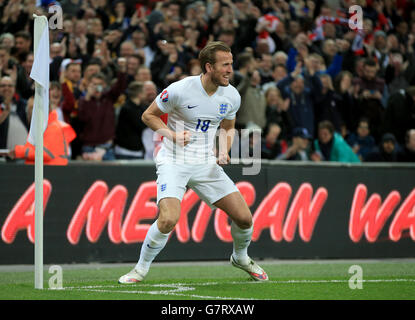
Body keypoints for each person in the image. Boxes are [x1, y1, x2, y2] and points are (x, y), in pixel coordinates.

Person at [118, 41, 268, 284]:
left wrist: (224, 150)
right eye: (225, 65)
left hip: (206, 163)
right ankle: (140, 270)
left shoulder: (231, 95)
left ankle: (240, 257)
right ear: (209, 67)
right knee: (167, 219)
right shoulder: (180, 89)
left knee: (244, 218)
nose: (231, 70)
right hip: (174, 161)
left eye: (231, 64)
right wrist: (172, 135)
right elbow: (148, 115)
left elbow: (228, 128)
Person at [114, 81, 147, 159]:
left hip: (137, 150)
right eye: (144, 92)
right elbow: (141, 125)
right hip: (125, 151)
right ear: (139, 94)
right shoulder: (127, 109)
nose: (146, 94)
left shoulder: (140, 107)